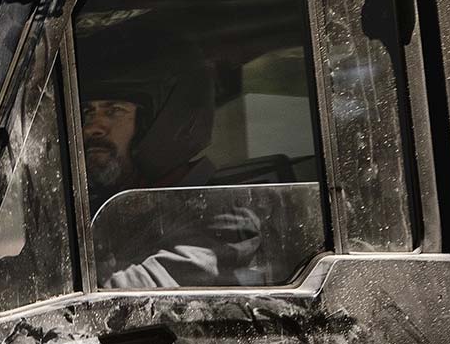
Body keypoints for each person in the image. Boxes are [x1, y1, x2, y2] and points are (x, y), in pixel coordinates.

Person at [77, 34, 294, 289]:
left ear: (167, 121)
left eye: (114, 111)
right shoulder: (122, 205)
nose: (93, 127)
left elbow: (134, 296)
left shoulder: (220, 214)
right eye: (89, 112)